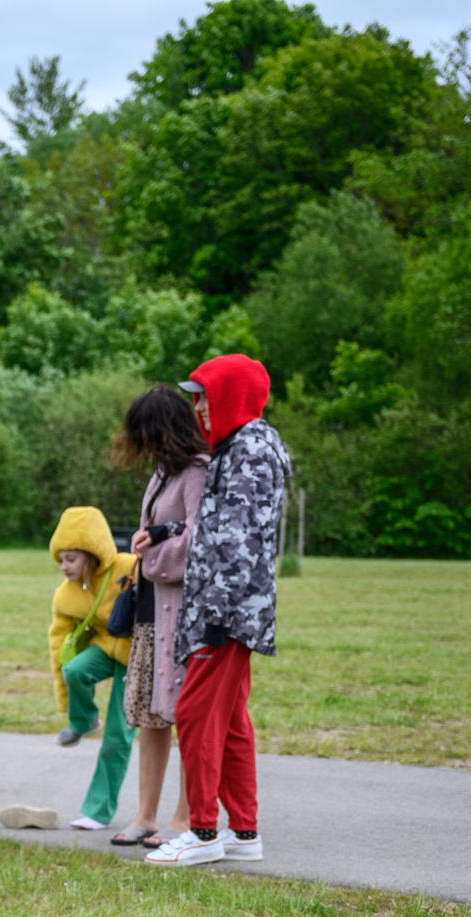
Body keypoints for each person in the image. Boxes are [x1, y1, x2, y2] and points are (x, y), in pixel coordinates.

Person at [145, 354, 289, 869]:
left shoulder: (248, 451)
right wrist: (163, 533)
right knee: (229, 723)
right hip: (224, 608)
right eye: (196, 397)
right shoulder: (236, 449)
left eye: (204, 395)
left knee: (195, 713)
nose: (198, 407)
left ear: (231, 395)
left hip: (224, 612)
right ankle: (243, 831)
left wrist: (214, 615)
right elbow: (211, 529)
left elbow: (240, 542)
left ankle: (203, 830)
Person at [115, 387, 210, 848]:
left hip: (182, 613)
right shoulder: (161, 473)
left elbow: (199, 538)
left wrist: (153, 554)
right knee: (151, 716)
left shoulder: (196, 471)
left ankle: (185, 816)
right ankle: (146, 814)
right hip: (152, 610)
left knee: (183, 714)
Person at [45, 507, 138, 831]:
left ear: (91, 554)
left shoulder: (128, 566)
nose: (64, 566)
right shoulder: (65, 595)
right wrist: (66, 705)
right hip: (103, 649)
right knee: (74, 669)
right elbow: (59, 649)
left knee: (117, 736)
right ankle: (86, 721)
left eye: (71, 558)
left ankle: (98, 811)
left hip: (135, 657)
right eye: (60, 559)